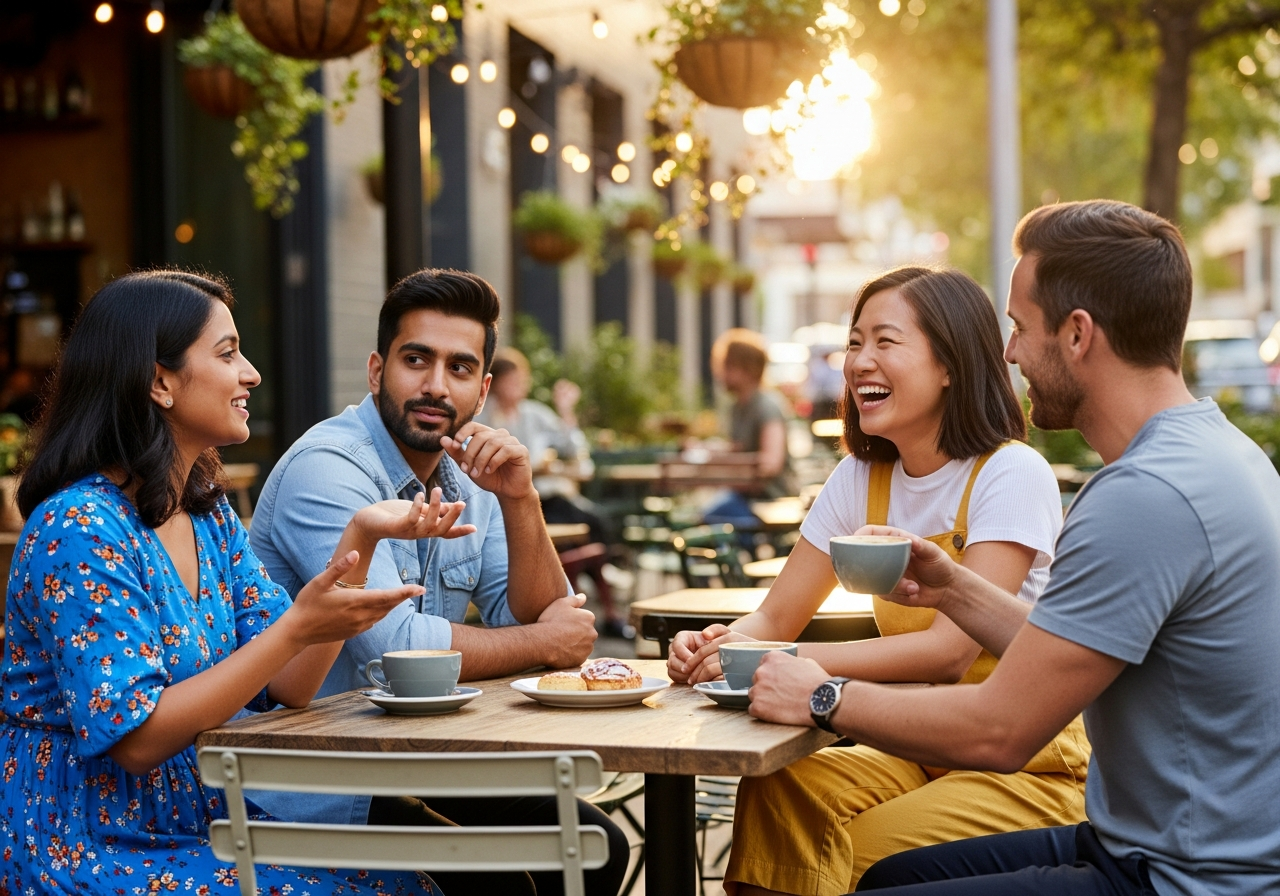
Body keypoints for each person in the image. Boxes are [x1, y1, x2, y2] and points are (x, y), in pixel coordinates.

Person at [747, 200, 1280, 896]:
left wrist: (821, 695)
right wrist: (954, 589)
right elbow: (1072, 646)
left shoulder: (1144, 495)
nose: (1008, 352)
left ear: (1079, 335)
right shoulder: (1211, 456)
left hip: (1183, 876)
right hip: (1142, 840)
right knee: (887, 875)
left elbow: (1001, 732)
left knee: (871, 876)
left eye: (1021, 327)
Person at [0, 270, 450, 894]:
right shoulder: (78, 527)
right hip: (83, 842)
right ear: (159, 381)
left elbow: (290, 686)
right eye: (228, 352)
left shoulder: (208, 514)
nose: (251, 374)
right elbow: (133, 739)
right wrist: (296, 628)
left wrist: (362, 537)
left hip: (196, 821)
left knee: (412, 885)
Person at [669, 267, 1088, 895]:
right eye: (854, 342)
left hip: (1025, 764)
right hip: (912, 744)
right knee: (778, 795)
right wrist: (722, 644)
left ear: (949, 363)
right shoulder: (860, 479)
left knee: (855, 852)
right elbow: (776, 617)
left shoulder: (1010, 472)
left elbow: (949, 653)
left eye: (885, 342)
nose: (860, 361)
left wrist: (778, 663)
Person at [248, 268, 628, 896]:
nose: (434, 385)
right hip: (317, 778)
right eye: (415, 359)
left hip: (413, 755)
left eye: (458, 368)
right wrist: (545, 644)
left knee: (594, 852)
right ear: (376, 371)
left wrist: (520, 497)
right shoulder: (327, 469)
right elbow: (395, 648)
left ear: (482, 391)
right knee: (513, 880)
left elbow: (533, 611)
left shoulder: (469, 475)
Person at [703, 328, 793, 531]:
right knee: (706, 513)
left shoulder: (767, 405)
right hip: (744, 496)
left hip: (769, 498)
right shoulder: (737, 407)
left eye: (726, 366)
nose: (720, 373)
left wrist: (727, 463)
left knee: (709, 518)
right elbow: (738, 448)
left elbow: (771, 463)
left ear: (746, 368)